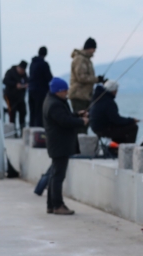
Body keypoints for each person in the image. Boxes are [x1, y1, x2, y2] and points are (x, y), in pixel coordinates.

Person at [43, 77, 89, 215]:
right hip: (59, 144)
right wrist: (81, 121)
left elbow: (64, 117)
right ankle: (58, 205)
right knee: (58, 176)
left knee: (54, 175)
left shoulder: (53, 101)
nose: (67, 93)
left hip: (57, 144)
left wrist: (77, 114)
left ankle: (51, 205)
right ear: (58, 91)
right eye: (64, 90)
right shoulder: (55, 104)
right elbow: (65, 121)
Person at [69, 37, 104, 133]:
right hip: (78, 95)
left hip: (85, 95)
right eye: (94, 49)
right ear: (90, 48)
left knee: (86, 120)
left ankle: (81, 141)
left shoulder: (86, 60)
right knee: (81, 121)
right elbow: (81, 77)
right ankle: (78, 143)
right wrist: (97, 79)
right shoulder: (80, 59)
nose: (94, 52)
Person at [29, 47, 53, 127]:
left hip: (31, 90)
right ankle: (39, 130)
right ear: (46, 54)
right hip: (40, 91)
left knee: (32, 111)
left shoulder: (32, 64)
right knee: (40, 111)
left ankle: (31, 127)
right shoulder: (44, 64)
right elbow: (49, 77)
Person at [3, 61, 29, 131]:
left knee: (23, 113)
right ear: (18, 68)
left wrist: (26, 85)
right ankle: (12, 131)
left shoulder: (24, 74)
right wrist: (15, 84)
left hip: (20, 97)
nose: (22, 72)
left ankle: (22, 130)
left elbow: (27, 80)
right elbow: (5, 81)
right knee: (12, 113)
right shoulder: (10, 72)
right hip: (9, 97)